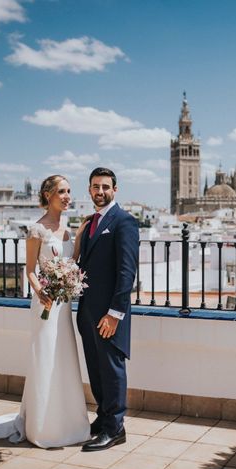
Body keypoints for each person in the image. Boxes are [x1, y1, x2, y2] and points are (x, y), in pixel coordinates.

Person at [0, 175, 91, 448]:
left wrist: (80, 235)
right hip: (45, 305)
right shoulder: (36, 230)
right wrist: (40, 291)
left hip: (64, 306)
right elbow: (30, 270)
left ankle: (68, 422)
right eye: (62, 191)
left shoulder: (68, 229)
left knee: (64, 359)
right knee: (46, 358)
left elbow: (72, 261)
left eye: (69, 191)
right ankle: (44, 426)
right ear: (48, 195)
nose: (68, 196)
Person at [75, 167, 139, 452]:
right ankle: (103, 419)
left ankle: (115, 429)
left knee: (112, 370)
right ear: (89, 190)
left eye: (105, 187)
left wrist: (114, 314)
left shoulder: (124, 221)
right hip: (89, 312)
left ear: (115, 189)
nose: (99, 192)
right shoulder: (91, 223)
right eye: (95, 187)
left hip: (109, 315)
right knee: (96, 369)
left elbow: (127, 273)